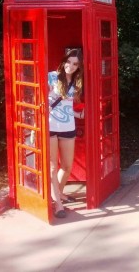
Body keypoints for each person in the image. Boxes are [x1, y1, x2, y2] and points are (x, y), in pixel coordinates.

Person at [48, 49, 84, 218]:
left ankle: (59, 193)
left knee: (67, 166)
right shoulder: (52, 77)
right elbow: (38, 99)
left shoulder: (77, 82)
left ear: (79, 66)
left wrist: (79, 114)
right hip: (49, 126)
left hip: (68, 126)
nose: (71, 66)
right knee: (53, 167)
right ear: (63, 61)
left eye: (75, 64)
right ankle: (58, 204)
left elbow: (68, 106)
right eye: (69, 62)